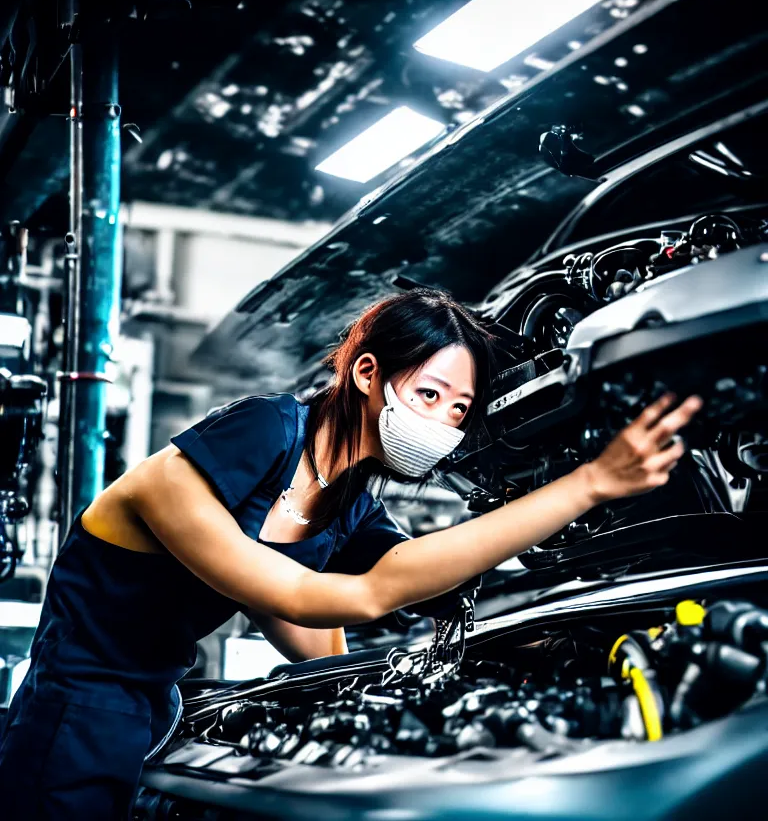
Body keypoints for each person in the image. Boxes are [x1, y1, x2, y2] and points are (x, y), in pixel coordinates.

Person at [0, 289, 701, 819]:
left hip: (156, 704)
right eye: (429, 393)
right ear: (367, 374)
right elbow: (320, 596)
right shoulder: (263, 433)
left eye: (460, 410)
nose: (444, 423)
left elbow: (401, 592)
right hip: (75, 712)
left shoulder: (349, 498)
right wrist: (588, 484)